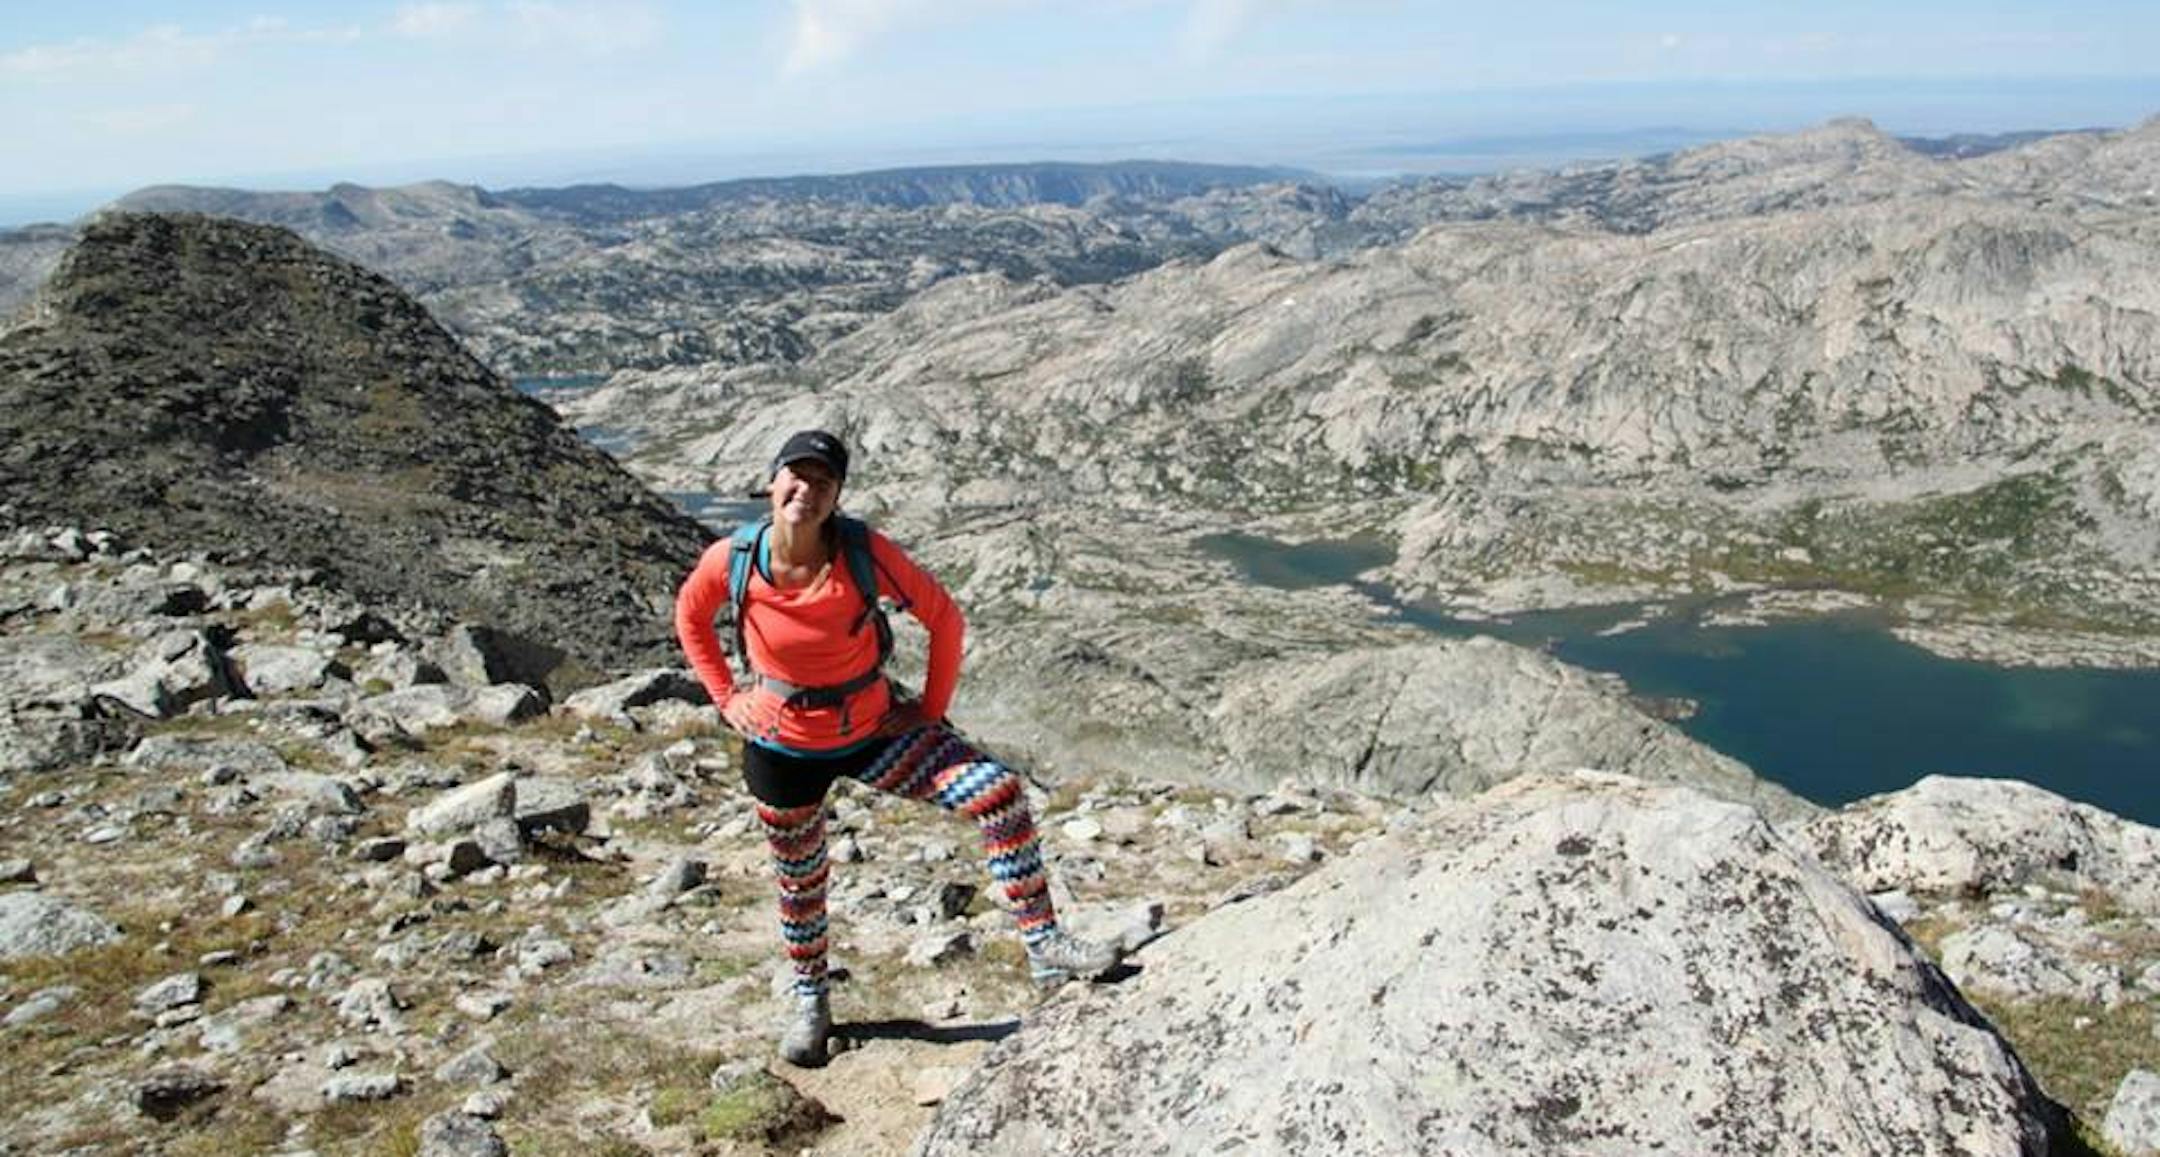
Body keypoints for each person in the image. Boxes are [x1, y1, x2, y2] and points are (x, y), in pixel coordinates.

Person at [675, 429, 1122, 1067]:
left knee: (998, 795)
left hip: (872, 733)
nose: (806, 490)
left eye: (822, 482)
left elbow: (944, 618)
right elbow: (691, 616)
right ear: (772, 482)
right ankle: (811, 1000)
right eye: (795, 477)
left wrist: (930, 712)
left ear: (837, 497)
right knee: (800, 878)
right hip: (782, 746)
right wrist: (726, 698)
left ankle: (1045, 946)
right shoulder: (734, 559)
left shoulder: (863, 552)